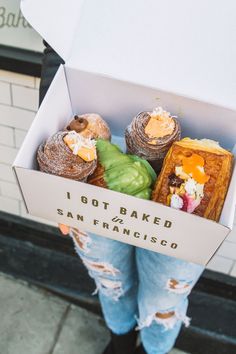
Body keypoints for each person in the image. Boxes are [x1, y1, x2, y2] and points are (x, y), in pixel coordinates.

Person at [40, 42, 204, 354]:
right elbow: (57, 47)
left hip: (192, 198)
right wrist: (53, 178)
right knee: (110, 277)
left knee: (164, 297)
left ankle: (153, 350)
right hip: (90, 182)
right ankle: (120, 342)